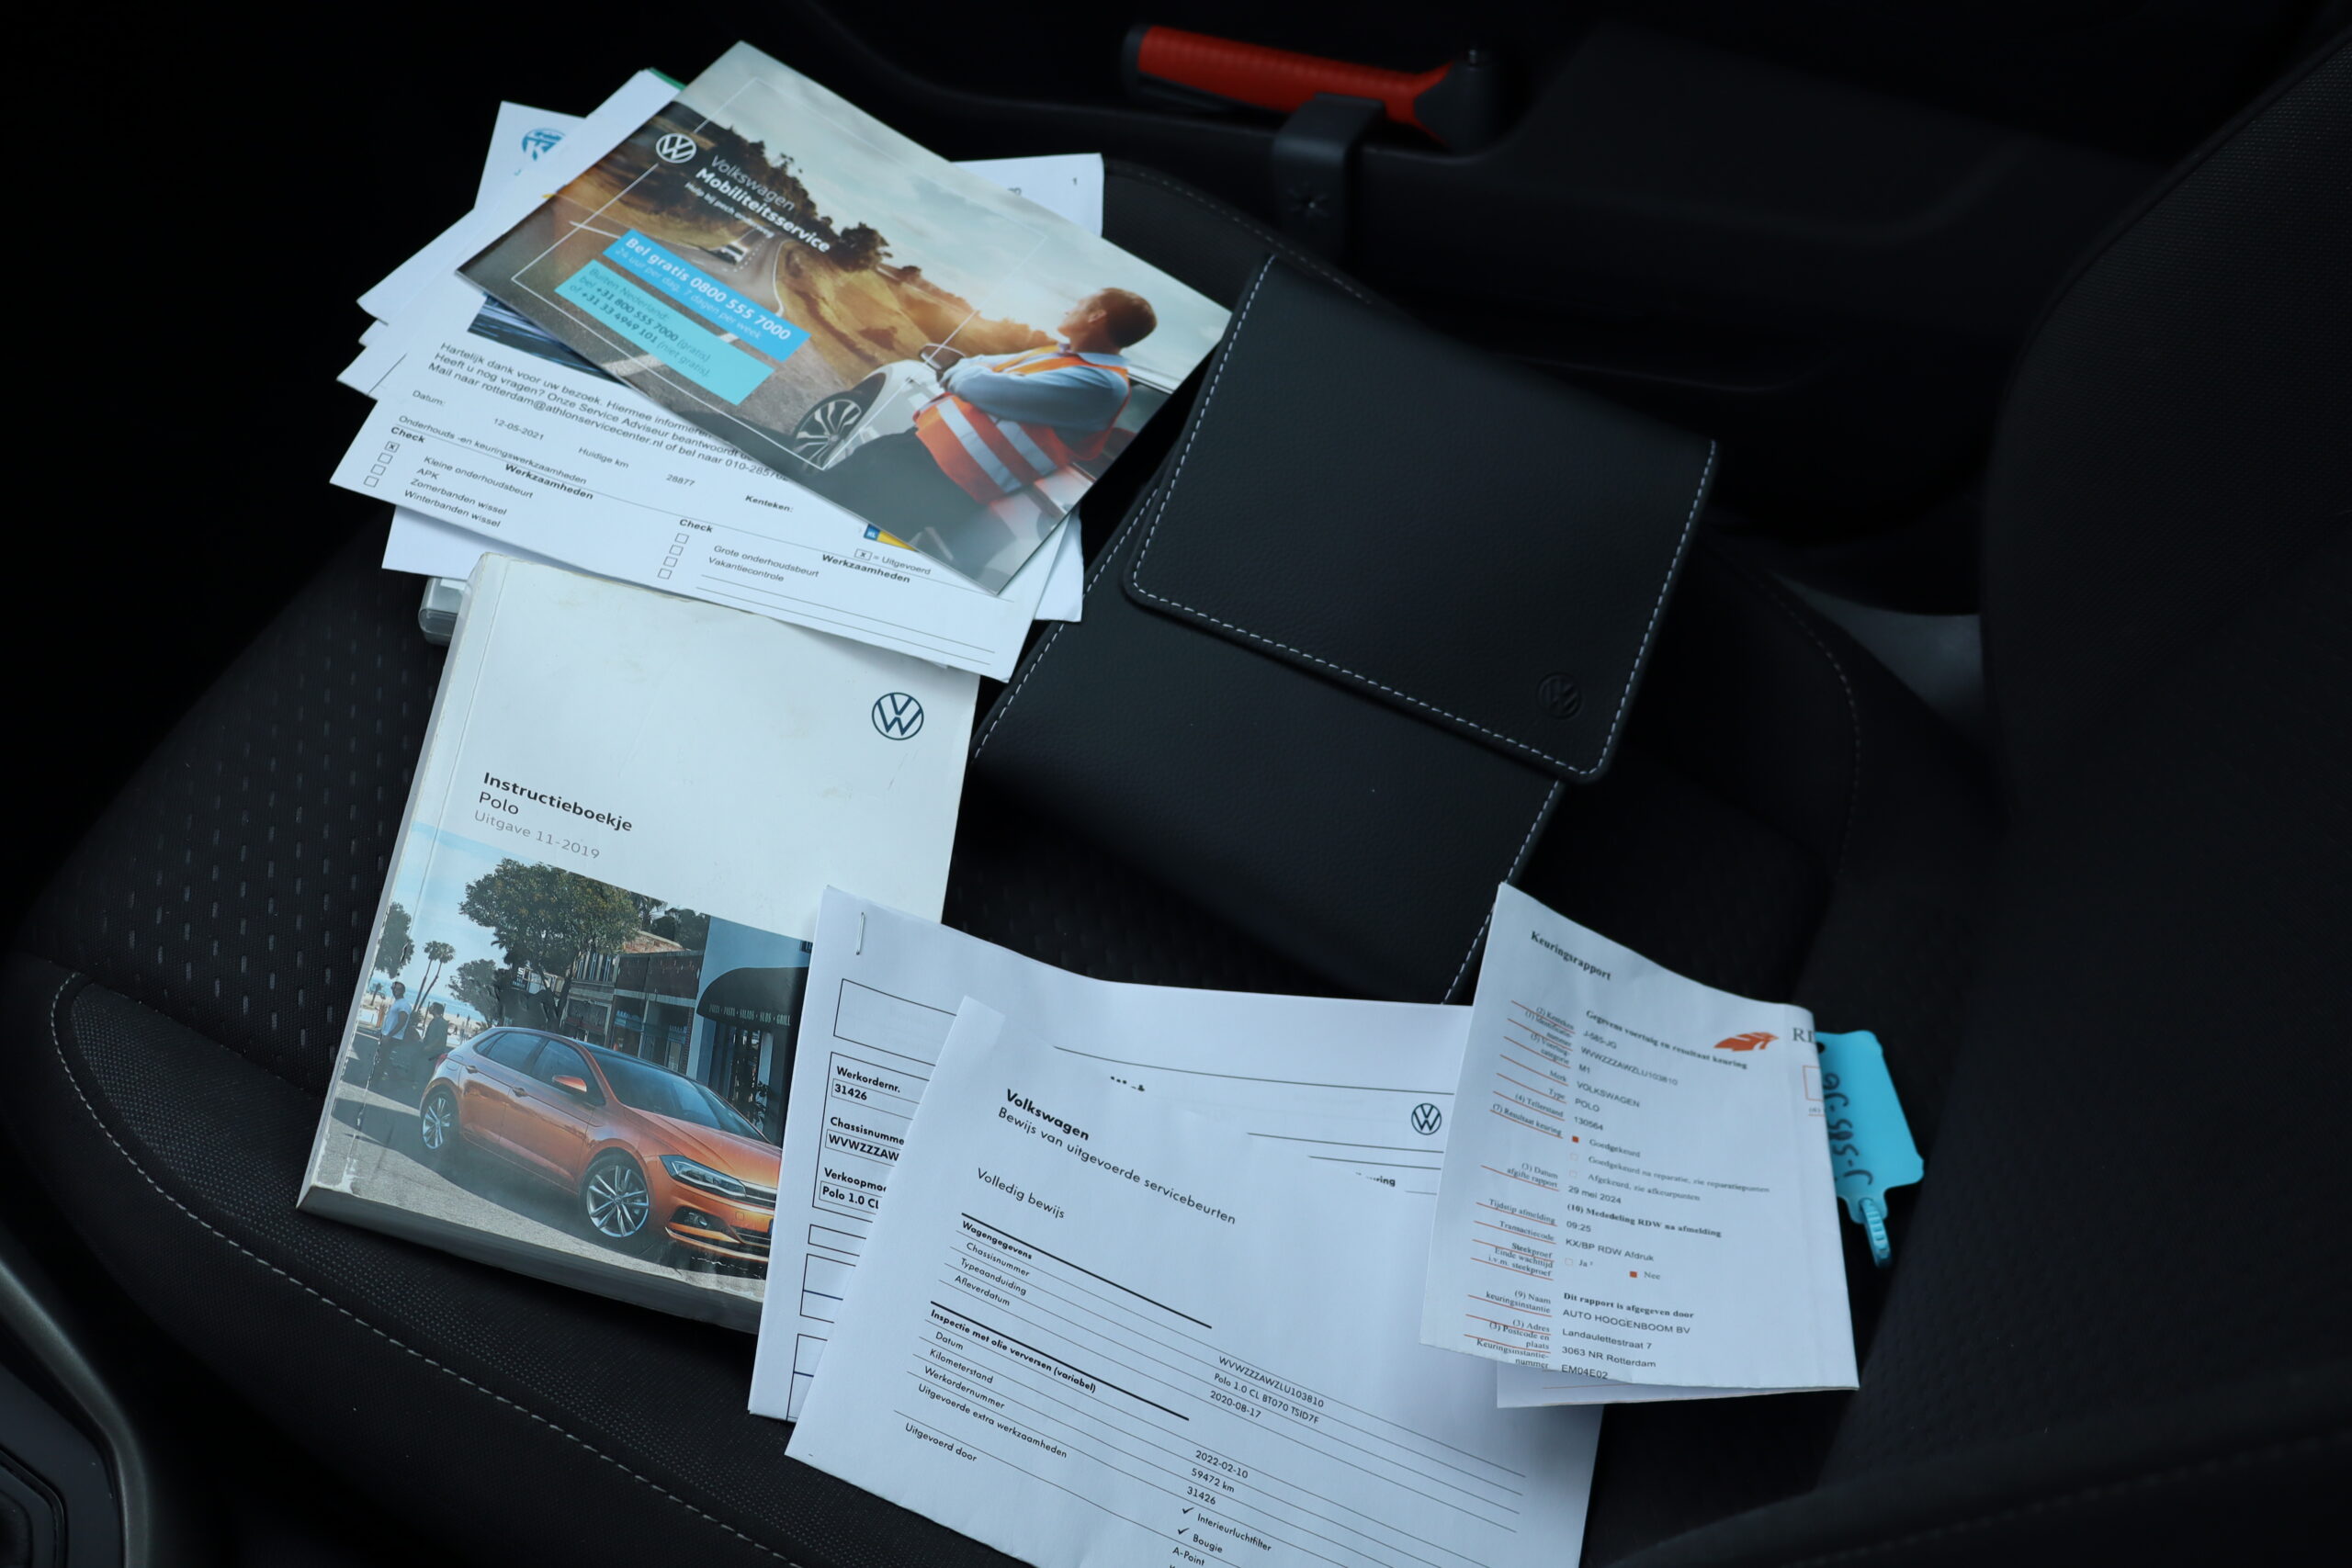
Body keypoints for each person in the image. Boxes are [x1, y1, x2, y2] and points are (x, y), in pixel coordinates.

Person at [801, 288, 1158, 581]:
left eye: (1079, 304)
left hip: (937, 479)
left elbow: (982, 386)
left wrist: (966, 374)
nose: (1069, 308)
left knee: (836, 548)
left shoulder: (1101, 384)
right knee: (812, 507)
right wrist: (973, 373)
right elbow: (982, 365)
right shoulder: (1064, 357)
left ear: (1097, 316)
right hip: (914, 451)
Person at [375, 982, 413, 1083]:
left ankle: (377, 1080)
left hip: (393, 1037)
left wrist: (389, 1036)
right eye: (393, 988)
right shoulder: (397, 1002)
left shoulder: (404, 1004)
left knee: (383, 1058)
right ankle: (392, 1078)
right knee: (383, 1057)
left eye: (398, 989)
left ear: (403, 991)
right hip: (387, 1035)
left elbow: (402, 1023)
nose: (395, 991)